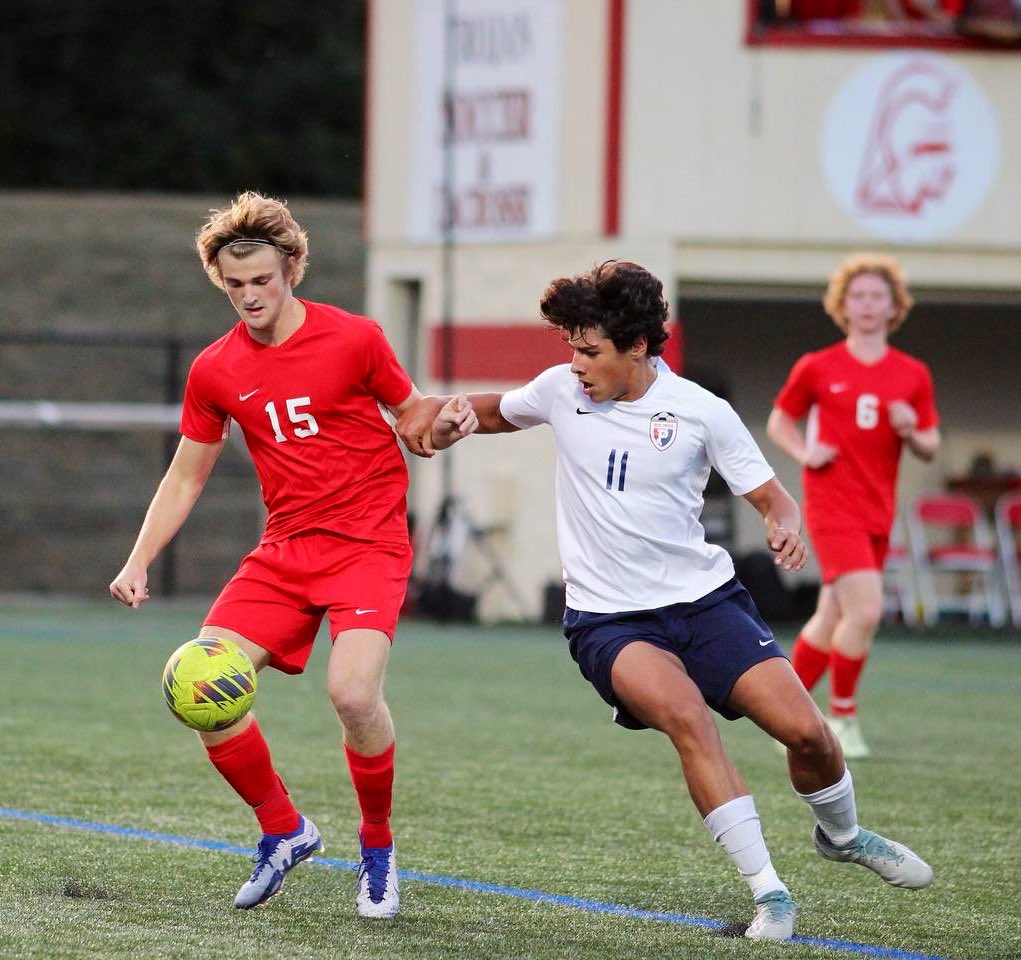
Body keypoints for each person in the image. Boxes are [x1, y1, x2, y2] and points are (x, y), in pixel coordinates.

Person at [397, 260, 933, 941]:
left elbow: (770, 493)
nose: (575, 363)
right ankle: (769, 895)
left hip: (706, 604)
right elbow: (490, 411)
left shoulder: (701, 412)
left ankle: (843, 834)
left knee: (806, 734)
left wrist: (782, 522)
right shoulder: (562, 390)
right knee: (687, 719)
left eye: (589, 351)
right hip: (608, 618)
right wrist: (446, 423)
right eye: (571, 347)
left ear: (639, 348)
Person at [109, 191, 476, 918]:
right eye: (235, 283)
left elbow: (410, 419)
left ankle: (377, 850)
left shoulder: (356, 339)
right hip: (284, 552)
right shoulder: (214, 369)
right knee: (198, 684)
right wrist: (137, 559)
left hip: (370, 543)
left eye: (262, 281)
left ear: (293, 269)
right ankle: (283, 830)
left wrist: (444, 427)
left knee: (352, 694)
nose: (249, 296)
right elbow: (187, 473)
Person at [767, 253, 940, 760]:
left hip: (877, 508)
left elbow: (931, 442)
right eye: (857, 296)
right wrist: (804, 452)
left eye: (876, 296)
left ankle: (784, 718)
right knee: (866, 610)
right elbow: (781, 420)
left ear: (893, 307)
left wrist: (912, 429)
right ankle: (840, 719)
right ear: (843, 306)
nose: (866, 305)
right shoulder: (818, 366)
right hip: (830, 503)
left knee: (832, 614)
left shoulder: (912, 373)